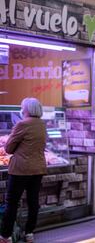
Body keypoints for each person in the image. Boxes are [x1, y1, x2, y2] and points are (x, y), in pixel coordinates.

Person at [0, 98, 47, 243]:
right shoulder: (42, 124)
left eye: (22, 107)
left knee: (12, 202)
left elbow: (8, 148)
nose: (21, 109)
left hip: (20, 169)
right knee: (33, 202)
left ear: (27, 110)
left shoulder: (22, 124)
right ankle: (29, 234)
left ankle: (5, 236)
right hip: (37, 169)